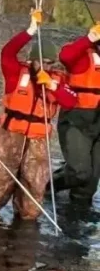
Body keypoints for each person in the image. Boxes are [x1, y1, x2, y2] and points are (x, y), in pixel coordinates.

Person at [0, 9, 76, 219]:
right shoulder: (14, 72)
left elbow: (71, 100)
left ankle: (25, 229)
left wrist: (52, 85)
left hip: (38, 139)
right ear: (32, 60)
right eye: (42, 62)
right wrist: (29, 30)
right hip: (10, 134)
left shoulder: (57, 80)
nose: (46, 66)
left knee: (33, 187)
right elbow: (7, 52)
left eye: (50, 62)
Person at [52, 21, 100, 202]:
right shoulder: (82, 53)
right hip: (77, 119)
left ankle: (77, 223)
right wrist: (90, 38)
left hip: (98, 122)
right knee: (80, 173)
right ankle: (50, 186)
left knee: (89, 185)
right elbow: (65, 56)